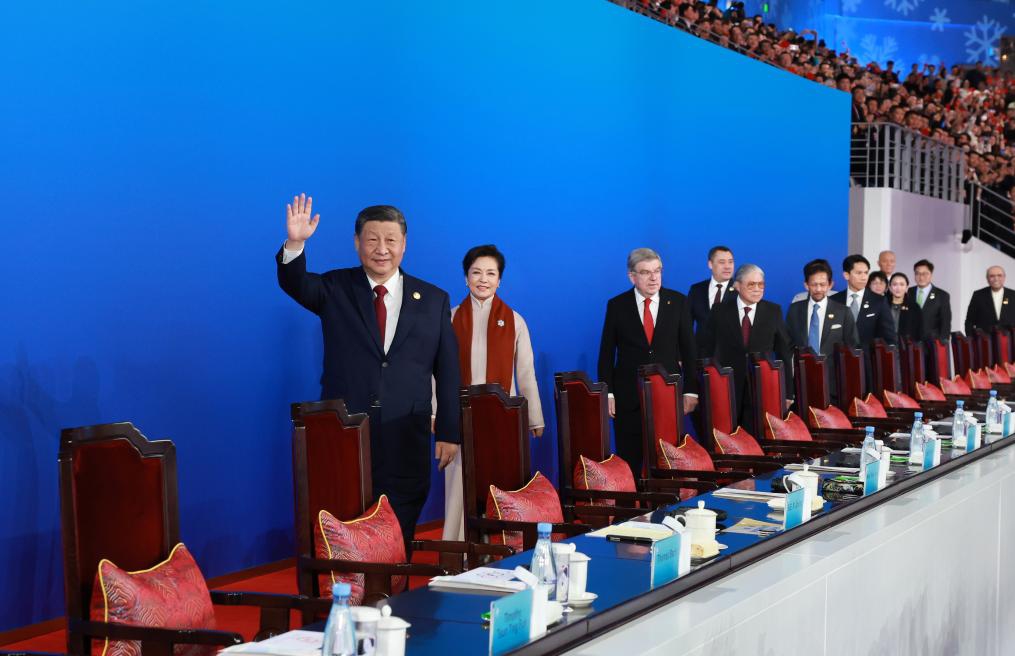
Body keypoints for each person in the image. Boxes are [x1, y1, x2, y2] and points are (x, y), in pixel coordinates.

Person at [276, 195, 460, 548]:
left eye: (390, 240)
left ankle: (397, 583)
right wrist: (296, 243)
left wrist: (450, 432)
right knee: (347, 528)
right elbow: (295, 283)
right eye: (372, 239)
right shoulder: (335, 288)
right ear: (357, 242)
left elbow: (448, 370)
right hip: (347, 434)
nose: (382, 249)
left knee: (400, 531)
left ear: (404, 244)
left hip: (406, 435)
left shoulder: (434, 299)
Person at [441, 245, 543, 541]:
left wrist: (534, 418)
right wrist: (436, 413)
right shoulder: (450, 318)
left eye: (490, 273)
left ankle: (499, 548)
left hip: (501, 417)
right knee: (459, 485)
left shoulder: (515, 320)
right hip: (461, 417)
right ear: (466, 278)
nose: (483, 279)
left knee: (500, 483)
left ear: (499, 280)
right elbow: (437, 374)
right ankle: (458, 549)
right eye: (476, 273)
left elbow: (525, 373)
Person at [598, 248, 698, 476]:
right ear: (632, 276)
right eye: (645, 272)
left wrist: (691, 391)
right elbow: (606, 353)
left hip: (667, 395)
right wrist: (608, 393)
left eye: (657, 271)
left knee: (668, 462)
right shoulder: (617, 305)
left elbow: (689, 351)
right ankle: (635, 499)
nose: (654, 278)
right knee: (631, 460)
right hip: (628, 397)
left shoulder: (678, 302)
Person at [699, 264, 793, 434]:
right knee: (727, 437)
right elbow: (706, 349)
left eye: (761, 284)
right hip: (726, 388)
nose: (757, 289)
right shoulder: (719, 311)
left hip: (761, 388)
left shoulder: (773, 311)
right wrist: (704, 386)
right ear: (737, 285)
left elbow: (784, 353)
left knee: (759, 437)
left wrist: (787, 393)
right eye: (751, 284)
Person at [786, 259, 859, 396]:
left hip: (833, 385)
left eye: (822, 284)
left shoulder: (843, 312)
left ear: (830, 285)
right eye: (814, 284)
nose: (818, 289)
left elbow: (852, 348)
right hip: (802, 383)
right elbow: (787, 348)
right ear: (806, 285)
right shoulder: (794, 310)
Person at [830, 254, 898, 349]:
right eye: (859, 273)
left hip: (869, 357)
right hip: (839, 356)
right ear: (846, 275)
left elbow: (889, 338)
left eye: (866, 273)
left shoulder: (879, 301)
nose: (864, 277)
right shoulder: (834, 300)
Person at [687, 245, 736, 338]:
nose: (728, 267)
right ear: (710, 264)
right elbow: (687, 324)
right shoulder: (696, 290)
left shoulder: (740, 290)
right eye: (722, 262)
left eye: (731, 262)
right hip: (701, 347)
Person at [906, 259, 952, 341]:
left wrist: (943, 342)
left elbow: (945, 323)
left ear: (931, 275)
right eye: (917, 273)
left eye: (925, 273)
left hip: (932, 342)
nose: (921, 277)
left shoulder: (942, 295)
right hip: (911, 342)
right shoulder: (908, 292)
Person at [965, 266, 1015, 335]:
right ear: (987, 279)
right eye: (992, 276)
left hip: (1009, 339)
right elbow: (969, 321)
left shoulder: (1013, 295)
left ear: (1004, 277)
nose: (996, 279)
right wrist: (971, 339)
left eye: (999, 275)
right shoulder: (978, 295)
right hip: (984, 340)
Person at [886, 273, 924, 341]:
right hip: (885, 345)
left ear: (907, 287)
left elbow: (919, 331)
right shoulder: (883, 305)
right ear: (890, 287)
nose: (898, 288)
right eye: (895, 284)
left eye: (902, 284)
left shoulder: (914, 307)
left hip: (907, 345)